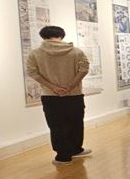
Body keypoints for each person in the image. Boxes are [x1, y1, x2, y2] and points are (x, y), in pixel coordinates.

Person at [25, 26, 91, 165]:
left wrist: (53, 87)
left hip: (50, 96)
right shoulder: (76, 52)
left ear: (43, 37)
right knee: (76, 123)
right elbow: (84, 69)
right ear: (62, 36)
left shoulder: (35, 54)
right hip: (74, 95)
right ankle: (76, 149)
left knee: (56, 126)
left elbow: (32, 72)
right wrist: (71, 86)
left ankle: (63, 156)